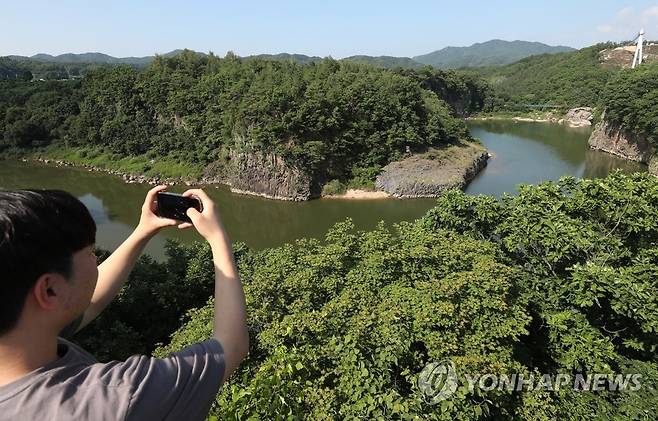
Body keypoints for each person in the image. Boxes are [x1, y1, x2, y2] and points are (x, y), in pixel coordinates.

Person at [0, 185, 249, 420]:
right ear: (50, 290)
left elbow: (90, 302)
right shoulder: (116, 398)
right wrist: (218, 238)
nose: (95, 257)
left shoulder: (27, 335)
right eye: (89, 252)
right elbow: (231, 345)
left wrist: (143, 230)